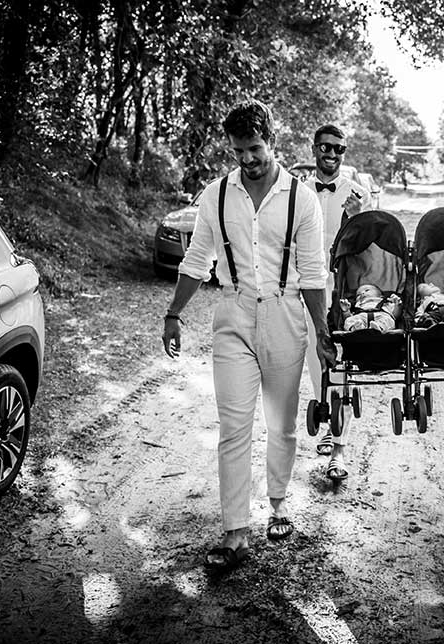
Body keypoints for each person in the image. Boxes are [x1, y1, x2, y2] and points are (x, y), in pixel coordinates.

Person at [161, 99, 335, 568]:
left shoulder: (301, 199)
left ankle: (278, 502)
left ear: (272, 141)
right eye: (239, 150)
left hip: (285, 314)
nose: (247, 159)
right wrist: (173, 313)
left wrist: (322, 332)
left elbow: (313, 274)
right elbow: (197, 260)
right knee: (234, 426)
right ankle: (234, 532)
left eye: (255, 148)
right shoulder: (216, 195)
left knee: (281, 424)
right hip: (234, 313)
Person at [302, 124, 371, 482]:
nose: (332, 154)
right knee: (317, 362)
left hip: (344, 289)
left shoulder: (360, 193)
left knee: (344, 363)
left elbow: (369, 249)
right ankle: (328, 419)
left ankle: (339, 449)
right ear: (314, 148)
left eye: (339, 149)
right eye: (326, 147)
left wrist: (357, 217)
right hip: (308, 289)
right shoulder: (299, 192)